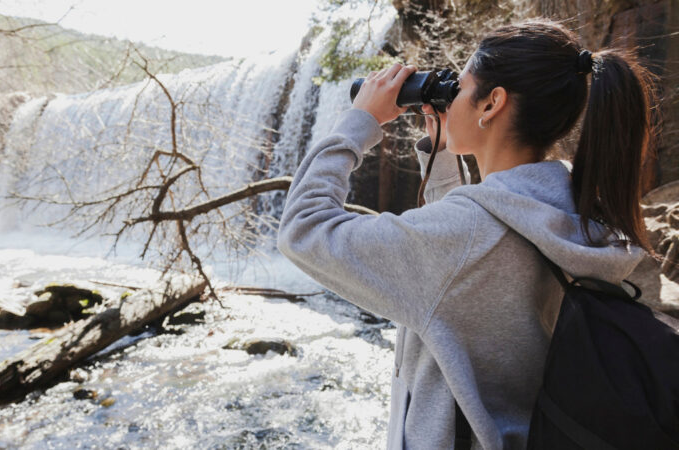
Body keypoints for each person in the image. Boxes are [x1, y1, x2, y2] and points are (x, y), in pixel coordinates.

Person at [277, 18, 658, 450]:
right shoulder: (583, 214)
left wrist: (358, 121)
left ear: (492, 103)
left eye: (459, 86)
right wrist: (441, 154)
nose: (450, 97)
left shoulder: (466, 237)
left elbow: (304, 228)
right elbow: (464, 265)